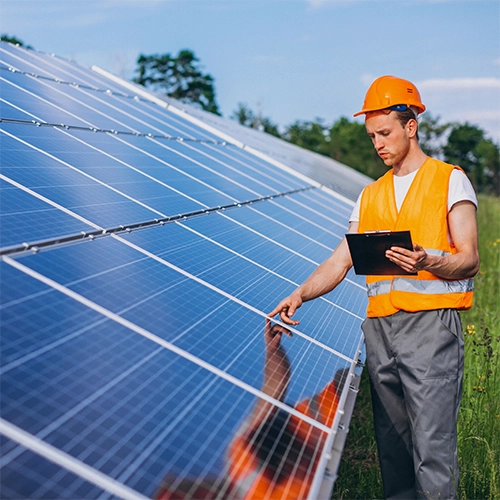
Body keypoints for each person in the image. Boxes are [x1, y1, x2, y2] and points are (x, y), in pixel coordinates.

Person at [268, 75, 480, 500]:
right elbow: (339, 260)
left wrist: (429, 261)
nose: (378, 143)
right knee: (394, 451)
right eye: (372, 136)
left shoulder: (449, 181)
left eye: (384, 133)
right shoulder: (369, 196)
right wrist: (301, 293)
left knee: (432, 450)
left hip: (431, 329)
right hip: (380, 334)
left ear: (410, 126)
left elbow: (470, 258)